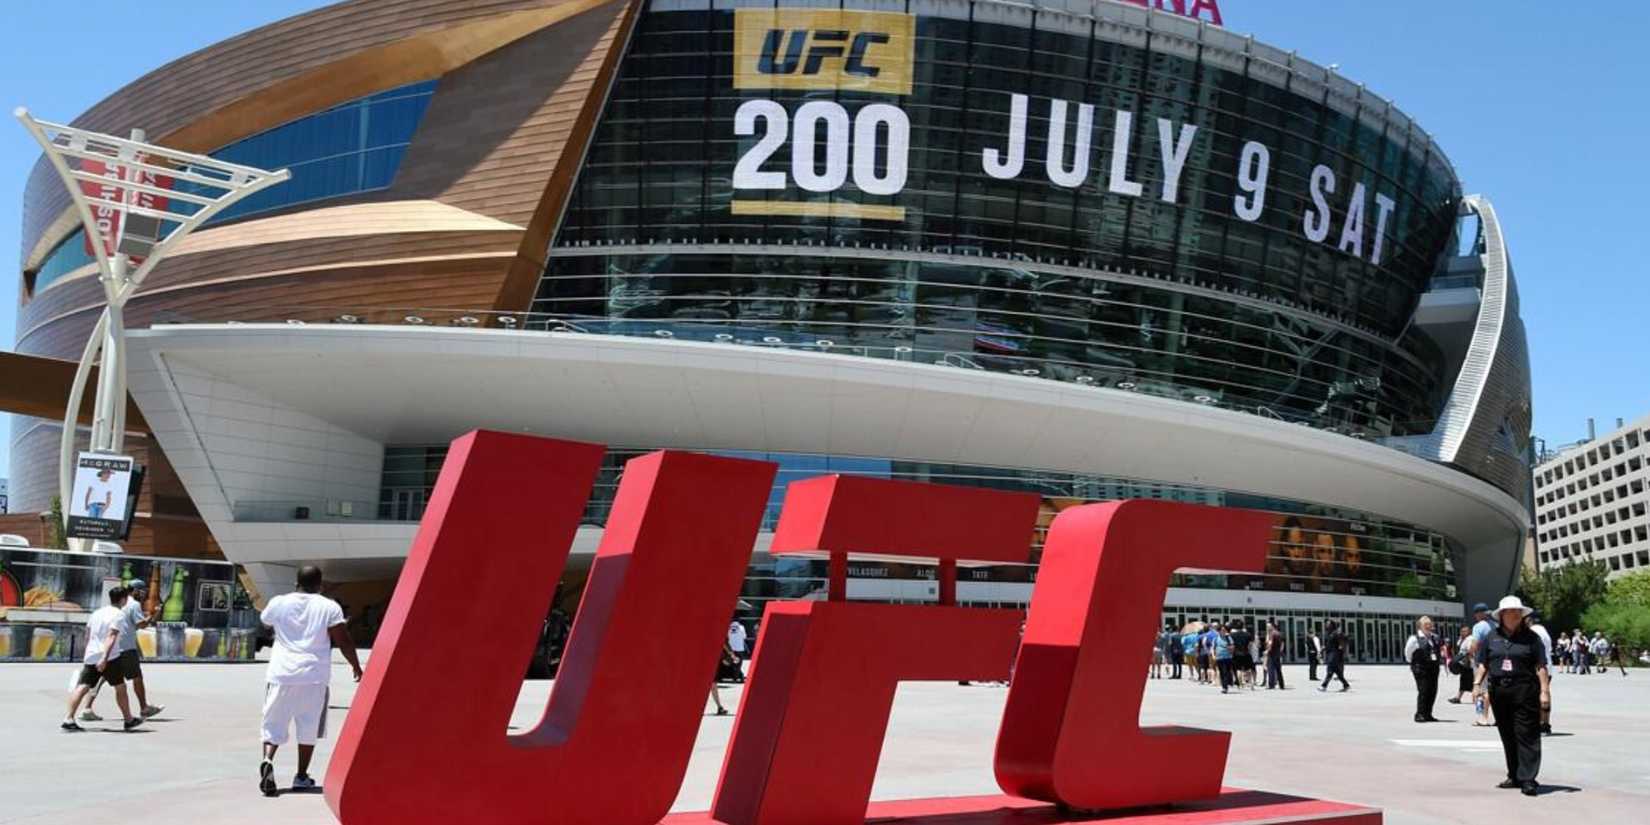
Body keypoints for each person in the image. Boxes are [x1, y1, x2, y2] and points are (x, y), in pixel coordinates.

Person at [258, 565, 362, 797]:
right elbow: (343, 639)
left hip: (280, 674)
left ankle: (267, 759)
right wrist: (355, 666)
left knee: (273, 725)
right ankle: (302, 776)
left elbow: (265, 621)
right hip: (314, 676)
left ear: (296, 583)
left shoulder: (278, 602)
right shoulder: (329, 606)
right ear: (320, 585)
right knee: (308, 727)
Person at [1473, 595, 1550, 796]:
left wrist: (1544, 691)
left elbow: (1541, 665)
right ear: (1502, 616)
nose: (1516, 615)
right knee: (1507, 733)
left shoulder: (1532, 638)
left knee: (1526, 734)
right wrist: (1476, 684)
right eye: (1512, 612)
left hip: (1524, 689)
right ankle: (1514, 775)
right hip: (1499, 690)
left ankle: (1528, 778)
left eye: (1518, 612)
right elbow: (1483, 663)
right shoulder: (1492, 636)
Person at [82, 578, 163, 722]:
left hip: (112, 647)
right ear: (135, 591)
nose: (144, 595)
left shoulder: (117, 604)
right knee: (136, 677)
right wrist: (154, 614)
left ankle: (87, 708)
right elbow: (141, 625)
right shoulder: (133, 604)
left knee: (101, 677)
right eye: (142, 591)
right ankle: (144, 708)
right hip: (126, 647)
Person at [63, 586, 143, 731]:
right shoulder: (119, 614)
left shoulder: (96, 613)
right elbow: (112, 635)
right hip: (109, 657)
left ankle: (68, 718)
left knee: (83, 686)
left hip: (91, 655)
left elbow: (87, 634)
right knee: (120, 687)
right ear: (123, 599)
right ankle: (128, 719)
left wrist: (88, 654)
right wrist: (104, 657)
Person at [1403, 616, 1442, 722]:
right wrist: (1414, 663)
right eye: (1426, 624)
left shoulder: (1435, 637)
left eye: (1430, 624)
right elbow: (1408, 653)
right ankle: (1420, 714)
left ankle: (1428, 713)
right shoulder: (1414, 638)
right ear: (1420, 626)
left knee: (1433, 690)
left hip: (1433, 668)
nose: (1429, 626)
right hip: (1420, 668)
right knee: (1423, 690)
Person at [1526, 612, 1553, 734]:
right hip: (1548, 667)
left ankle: (1538, 724)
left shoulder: (1532, 632)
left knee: (1534, 696)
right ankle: (1545, 723)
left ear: (1529, 619)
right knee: (1545, 693)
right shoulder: (1544, 631)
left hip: (1537, 668)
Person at [1318, 620, 1349, 691]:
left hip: (1334, 654)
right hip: (1330, 653)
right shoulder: (1329, 633)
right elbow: (1329, 644)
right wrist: (1323, 649)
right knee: (1337, 671)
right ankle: (1346, 685)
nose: (1326, 625)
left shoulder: (1336, 633)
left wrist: (1342, 647)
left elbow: (1345, 638)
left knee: (1330, 670)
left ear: (1332, 625)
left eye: (1328, 624)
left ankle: (1324, 686)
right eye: (1326, 624)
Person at [1449, 625, 1475, 704]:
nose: (1463, 633)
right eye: (1462, 631)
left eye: (1465, 631)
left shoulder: (1470, 639)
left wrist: (1468, 662)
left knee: (1472, 682)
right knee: (1464, 681)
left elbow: (1470, 651)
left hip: (1469, 664)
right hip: (1464, 664)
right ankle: (1458, 697)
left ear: (1469, 631)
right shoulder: (1462, 639)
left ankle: (1478, 698)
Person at [1229, 620, 1254, 690]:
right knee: (1248, 669)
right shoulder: (1248, 634)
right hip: (1246, 653)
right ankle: (1251, 684)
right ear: (1243, 626)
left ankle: (1240, 684)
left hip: (1236, 654)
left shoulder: (1232, 635)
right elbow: (1250, 645)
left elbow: (1232, 645)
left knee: (1238, 669)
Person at [1213, 623, 1235, 693]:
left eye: (1224, 630)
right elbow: (1213, 648)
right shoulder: (1216, 638)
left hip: (1227, 657)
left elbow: (1233, 646)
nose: (1223, 631)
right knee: (1222, 672)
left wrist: (1230, 648)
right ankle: (1224, 686)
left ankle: (1225, 686)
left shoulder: (1228, 638)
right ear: (1218, 631)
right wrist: (1214, 655)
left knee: (1226, 672)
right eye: (1222, 630)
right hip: (1219, 658)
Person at [1263, 621, 1286, 690]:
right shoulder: (1279, 634)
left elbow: (1270, 643)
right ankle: (1281, 684)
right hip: (1277, 653)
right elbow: (1282, 644)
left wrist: (1267, 651)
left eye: (1268, 626)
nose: (1267, 628)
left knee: (1271, 669)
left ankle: (1271, 684)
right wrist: (1280, 651)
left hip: (1272, 653)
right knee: (1278, 669)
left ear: (1272, 626)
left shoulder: (1272, 634)